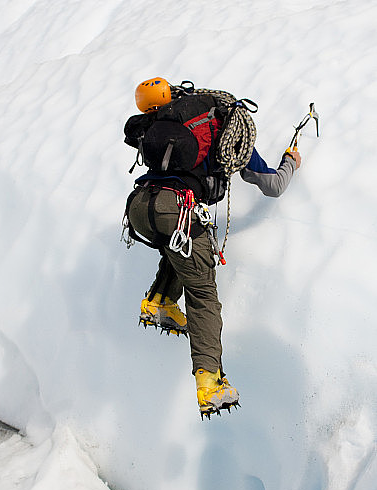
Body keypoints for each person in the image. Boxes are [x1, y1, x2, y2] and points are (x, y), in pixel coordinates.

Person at [124, 78, 301, 418]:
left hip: (141, 206)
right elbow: (274, 185)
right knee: (203, 292)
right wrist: (291, 161)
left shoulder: (164, 127)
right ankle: (210, 383)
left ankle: (158, 302)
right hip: (178, 210)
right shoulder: (225, 130)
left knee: (179, 253)